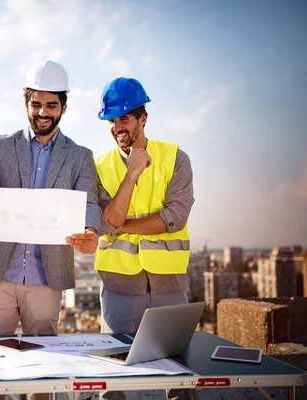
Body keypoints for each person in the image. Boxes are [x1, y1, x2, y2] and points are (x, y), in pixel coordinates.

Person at [0, 60, 102, 335]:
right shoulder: (0, 146)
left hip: (47, 279)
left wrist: (91, 230)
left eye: (51, 105)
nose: (42, 112)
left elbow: (89, 203)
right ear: (26, 105)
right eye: (36, 104)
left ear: (64, 108)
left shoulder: (80, 156)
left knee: (43, 361)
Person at [95, 77, 195, 335]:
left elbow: (175, 218)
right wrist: (131, 175)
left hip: (169, 285)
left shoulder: (176, 159)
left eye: (124, 119)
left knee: (174, 366)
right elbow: (106, 224)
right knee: (117, 364)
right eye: (112, 120)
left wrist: (120, 226)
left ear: (143, 118)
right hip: (120, 288)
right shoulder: (98, 167)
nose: (117, 127)